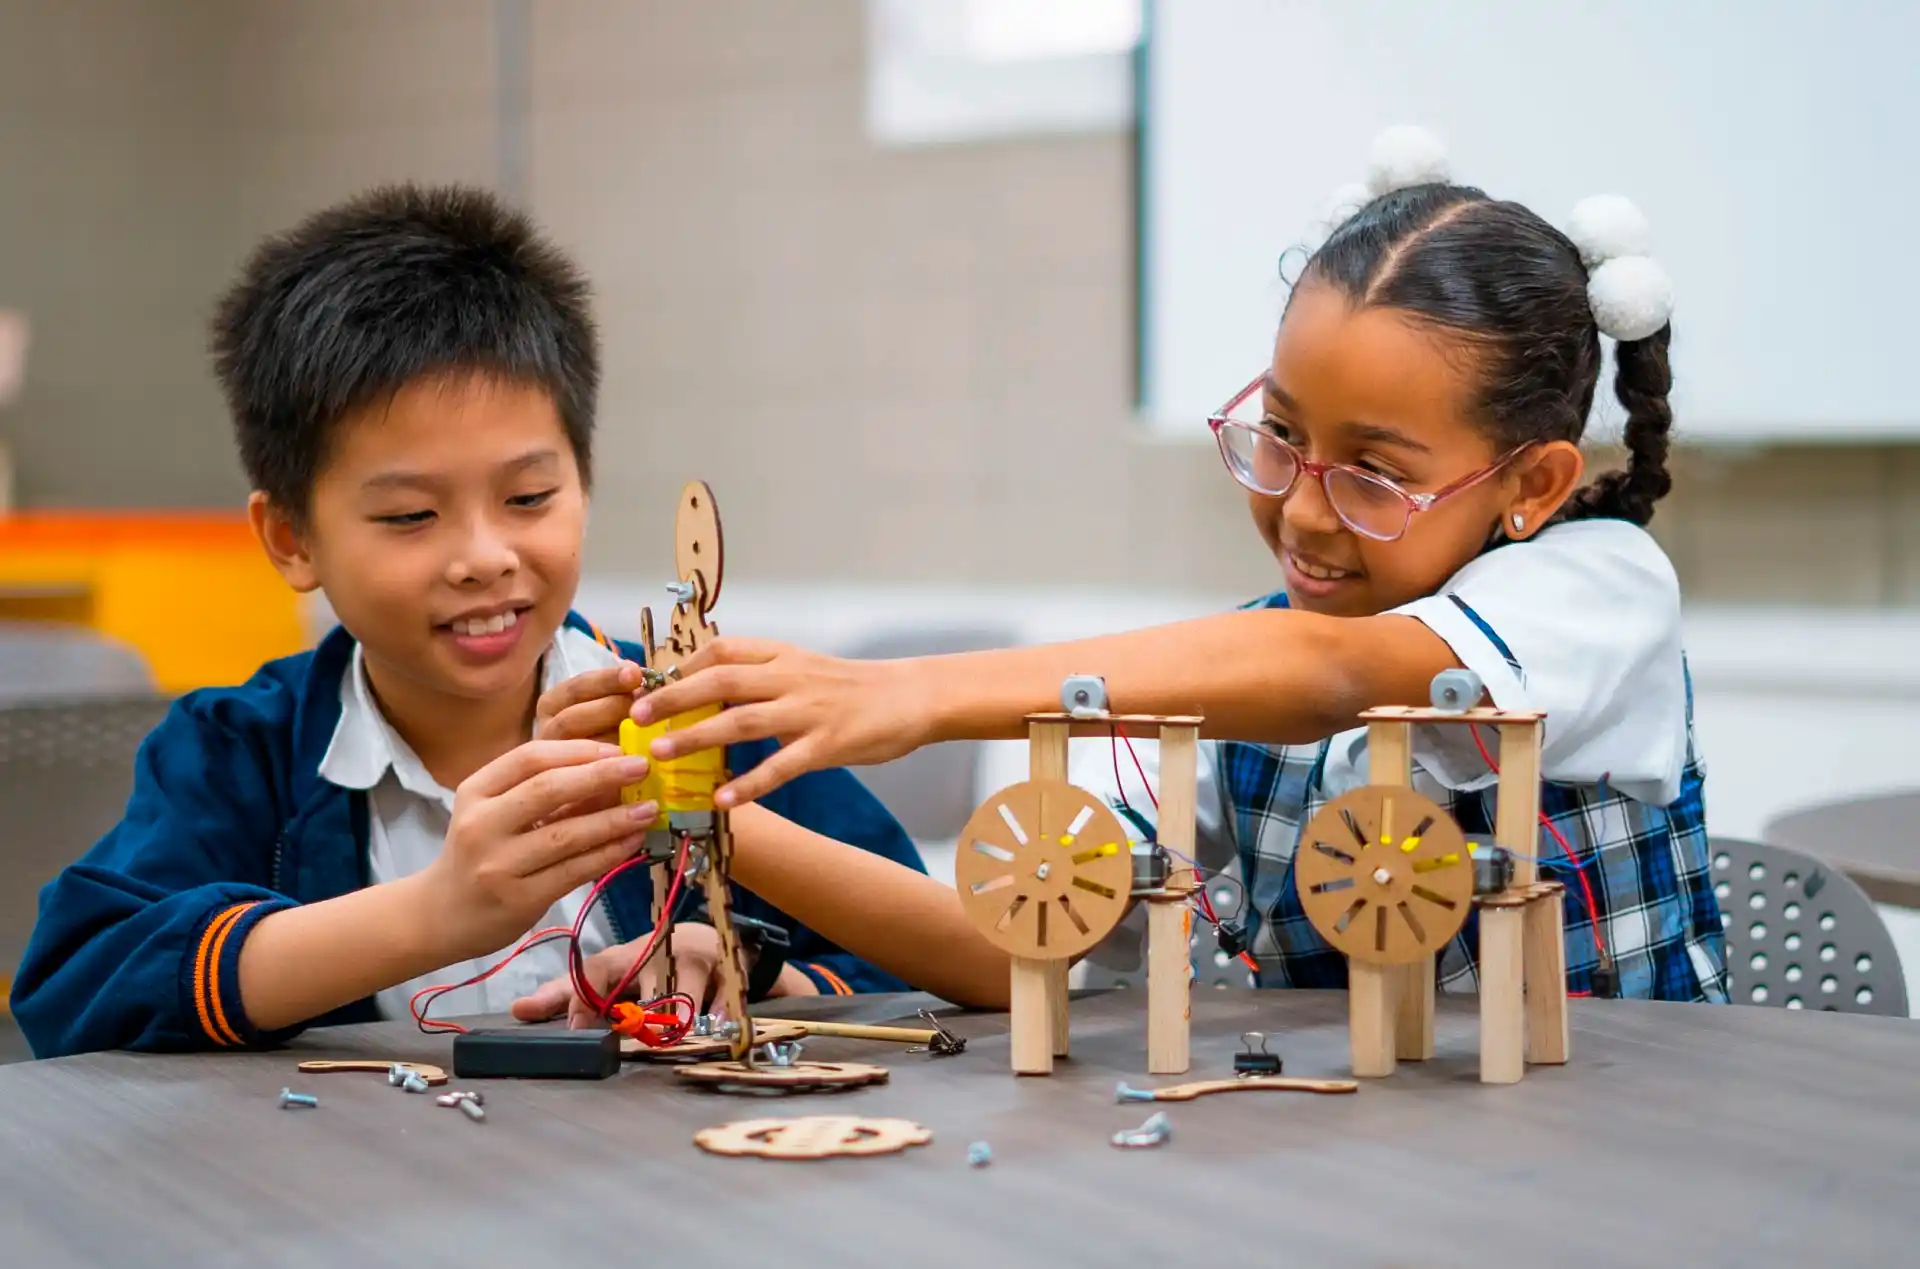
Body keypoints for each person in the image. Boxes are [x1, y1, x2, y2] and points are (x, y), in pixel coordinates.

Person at [619, 129, 1728, 1003]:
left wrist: (909, 693)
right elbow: (1019, 953)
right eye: (1282, 432)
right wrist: (698, 822)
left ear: (1531, 485)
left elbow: (1335, 674)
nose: (1300, 507)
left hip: (1623, 1161)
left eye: (1375, 474)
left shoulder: (1599, 590)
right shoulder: (1241, 687)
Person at [11, 184, 1005, 1059]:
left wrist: (743, 948)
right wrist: (436, 913)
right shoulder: (243, 750)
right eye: (409, 515)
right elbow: (73, 989)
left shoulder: (711, 721)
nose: (486, 555)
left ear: (585, 482)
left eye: (530, 498)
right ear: (291, 540)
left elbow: (993, 969)